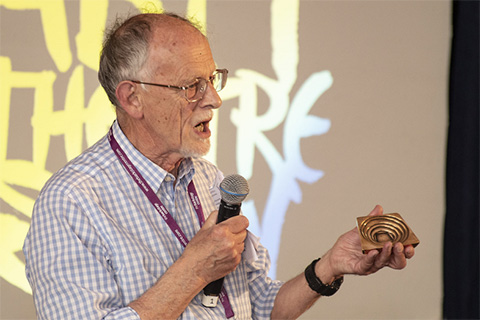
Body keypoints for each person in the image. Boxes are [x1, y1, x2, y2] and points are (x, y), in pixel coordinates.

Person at [23, 12, 415, 320]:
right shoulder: (71, 202)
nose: (213, 99)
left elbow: (260, 309)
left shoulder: (207, 178)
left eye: (212, 79)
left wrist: (330, 266)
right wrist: (193, 271)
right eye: (191, 85)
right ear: (132, 98)